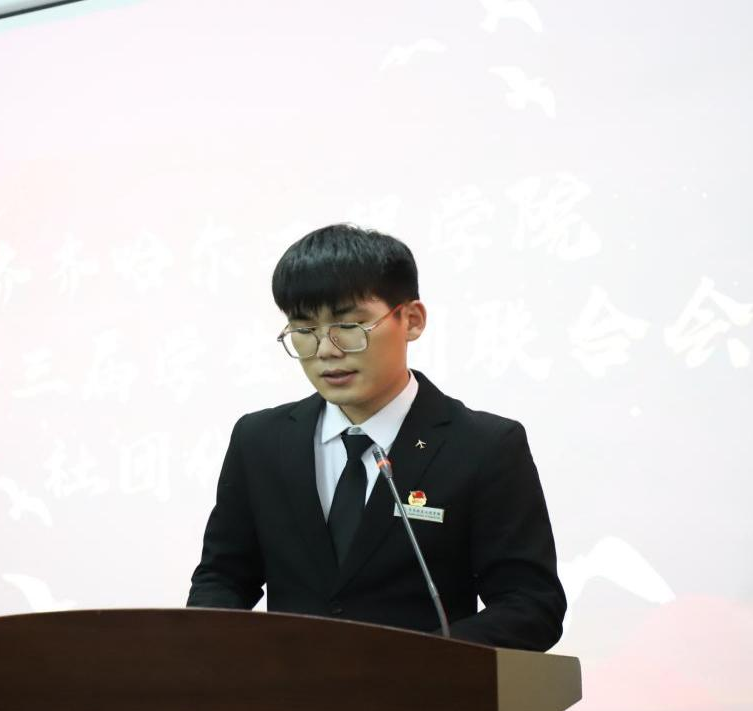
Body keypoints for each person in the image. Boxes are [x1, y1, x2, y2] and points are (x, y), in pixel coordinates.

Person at [186, 224, 565, 650]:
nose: (326, 350)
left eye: (350, 325)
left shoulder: (484, 446)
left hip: (423, 688)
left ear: (412, 320)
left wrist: (417, 662)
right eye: (304, 330)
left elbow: (531, 605)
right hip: (288, 689)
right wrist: (213, 651)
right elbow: (223, 577)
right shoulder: (259, 440)